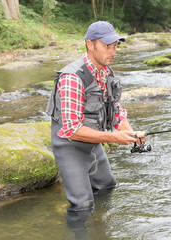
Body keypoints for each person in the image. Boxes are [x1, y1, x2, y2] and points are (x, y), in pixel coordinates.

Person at [46, 21, 145, 215]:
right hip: (69, 146)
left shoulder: (106, 71)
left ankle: (101, 226)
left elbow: (116, 110)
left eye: (115, 46)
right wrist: (114, 137)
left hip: (93, 142)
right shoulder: (72, 78)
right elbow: (73, 129)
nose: (113, 51)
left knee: (107, 186)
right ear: (90, 45)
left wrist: (130, 132)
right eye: (106, 46)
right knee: (82, 206)